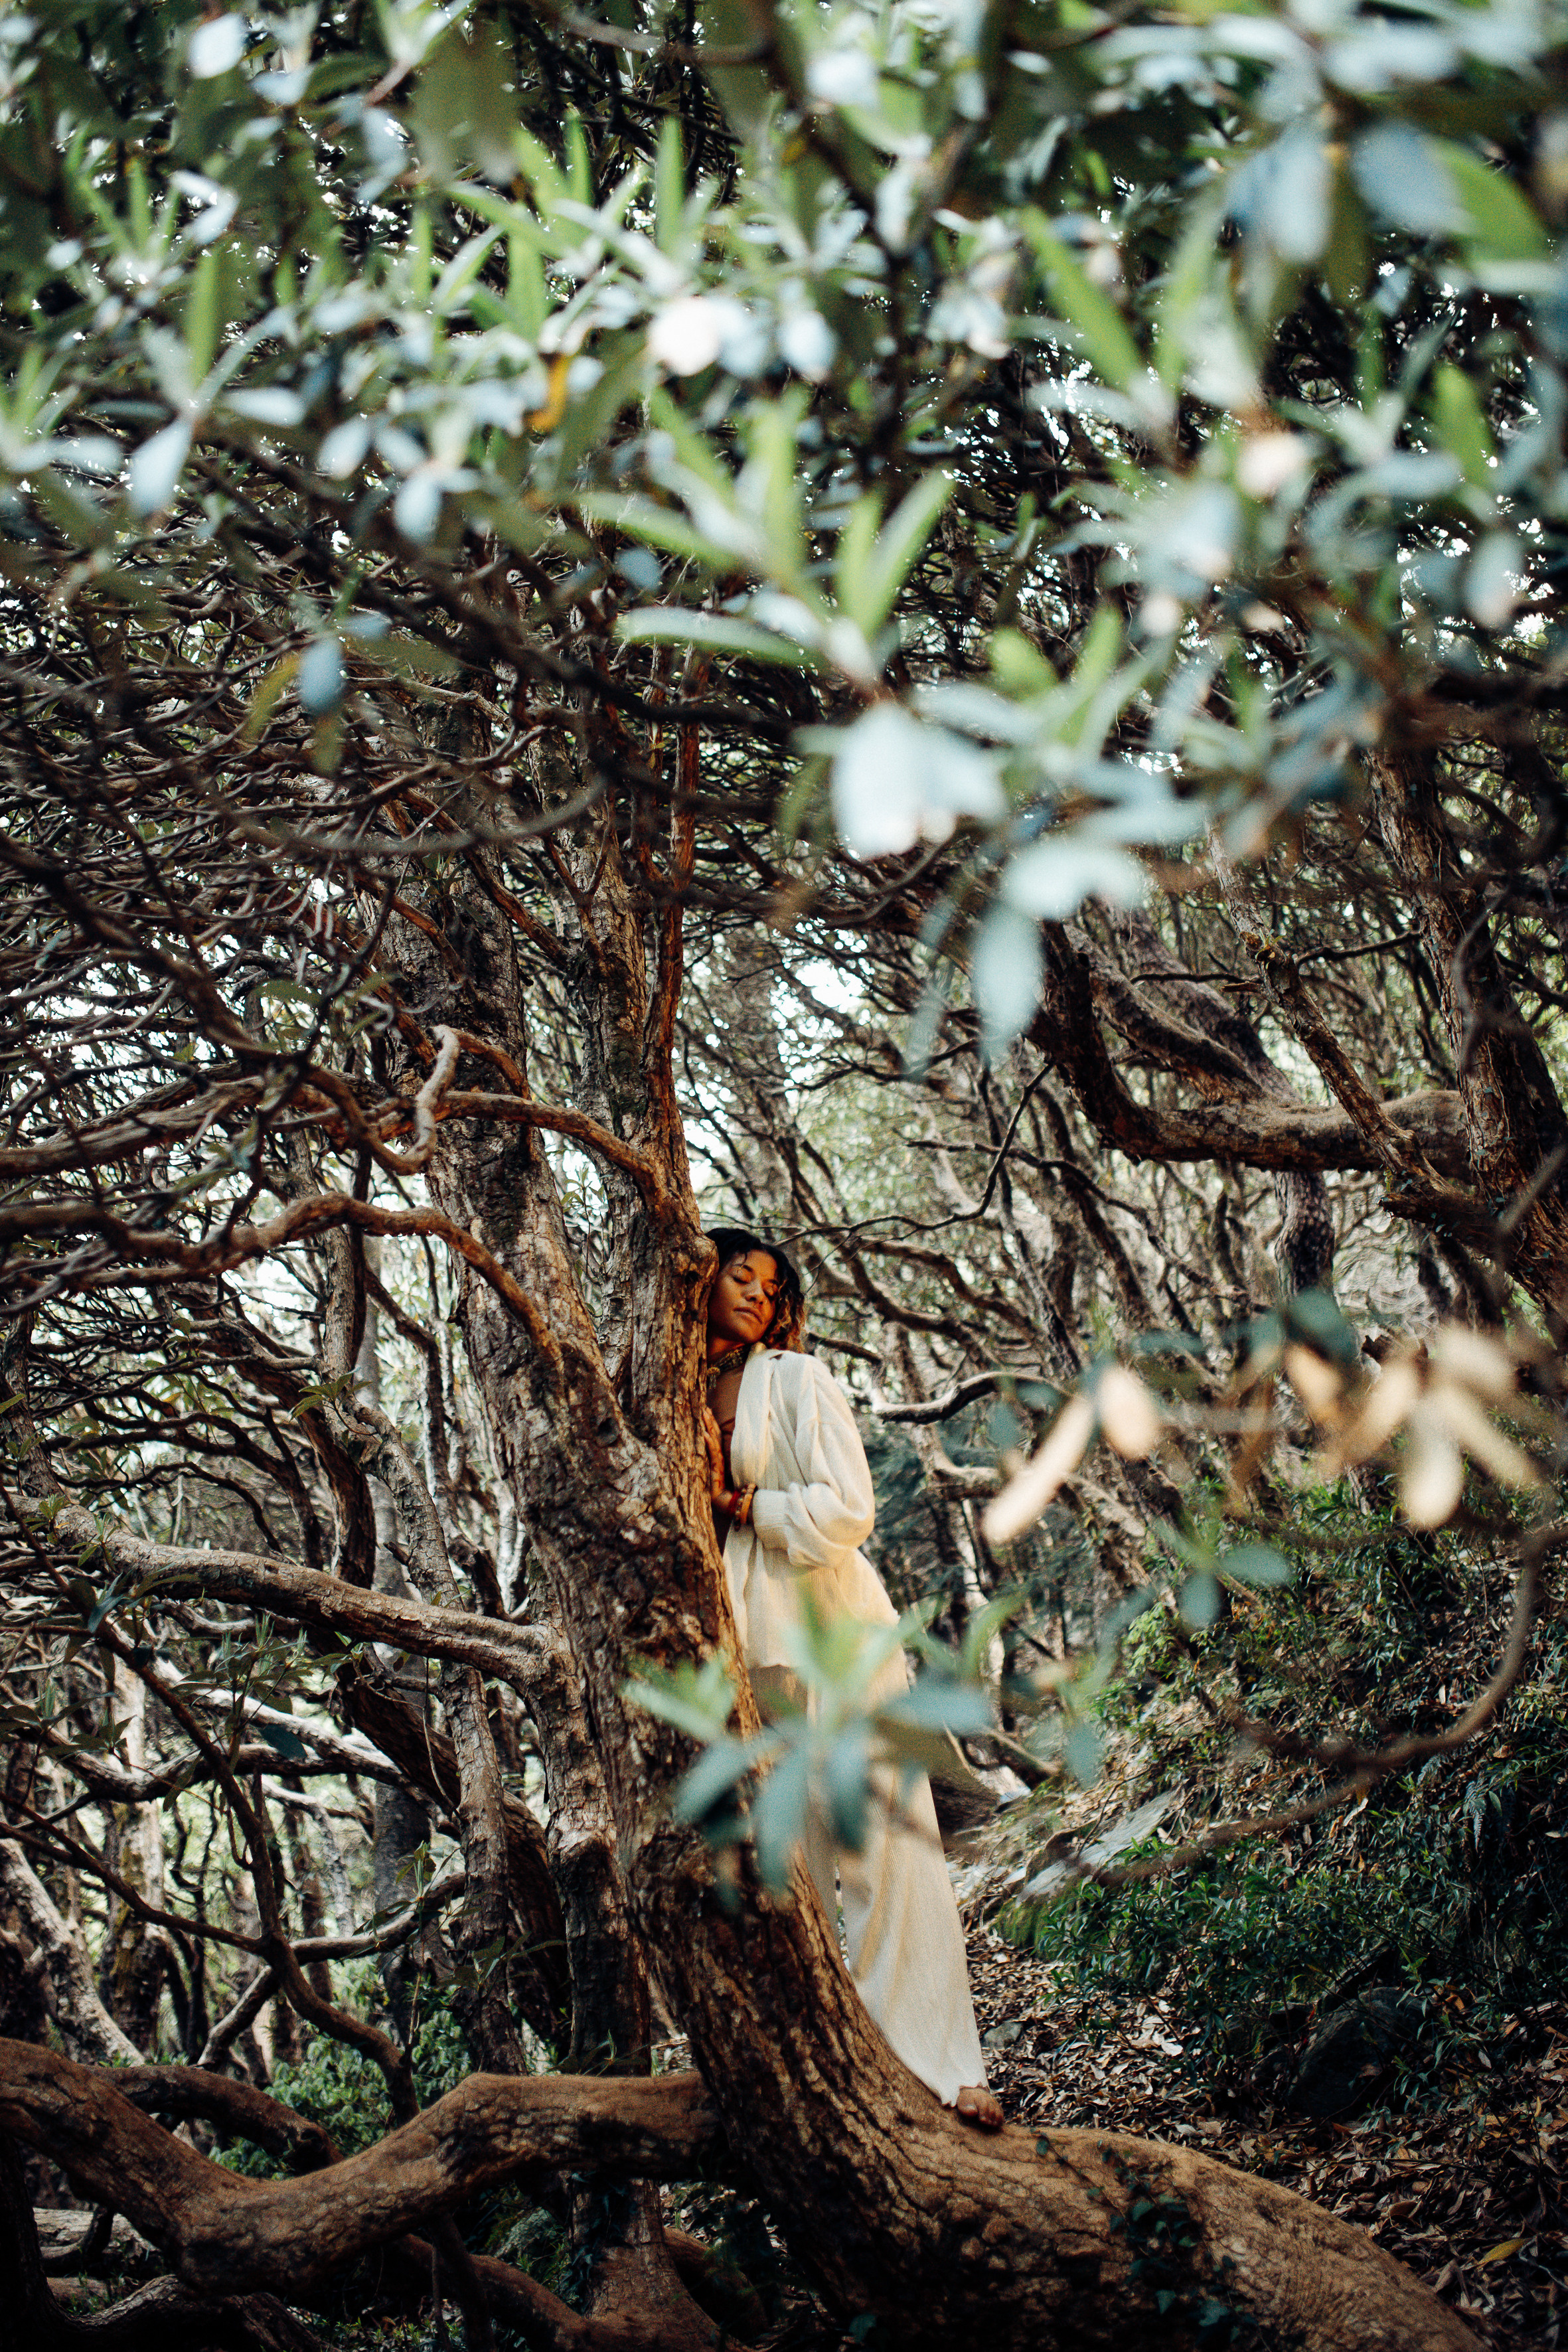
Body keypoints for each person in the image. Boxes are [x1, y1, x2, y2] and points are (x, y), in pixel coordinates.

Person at [703, 1227, 1004, 2130]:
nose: (755, 1294)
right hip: (747, 1643)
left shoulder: (797, 1379)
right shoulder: (671, 1393)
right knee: (787, 1863)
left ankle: (943, 2065)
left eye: (771, 1288)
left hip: (836, 1628)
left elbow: (848, 1510)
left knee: (887, 1841)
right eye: (739, 1275)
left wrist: (747, 1504)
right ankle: (827, 2065)